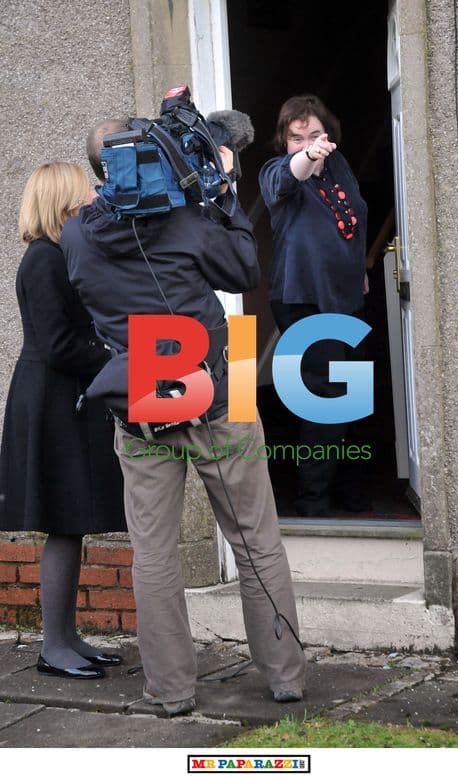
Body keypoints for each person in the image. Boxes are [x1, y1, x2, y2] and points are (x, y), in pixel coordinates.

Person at [60, 120, 306, 716]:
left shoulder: (76, 234)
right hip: (227, 376)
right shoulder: (188, 218)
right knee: (257, 542)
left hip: (144, 382)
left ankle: (169, 691)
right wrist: (221, 191)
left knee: (154, 553)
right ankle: (285, 677)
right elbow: (244, 272)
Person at [0, 162, 127, 679]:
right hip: (52, 401)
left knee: (72, 523)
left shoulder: (57, 255)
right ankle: (53, 647)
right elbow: (57, 346)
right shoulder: (44, 260)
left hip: (62, 398)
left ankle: (68, 638)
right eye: (84, 192)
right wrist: (115, 353)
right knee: (63, 522)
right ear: (62, 201)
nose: (92, 199)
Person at [259, 94, 370, 517]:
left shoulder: (339, 168)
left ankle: (350, 492)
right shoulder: (278, 172)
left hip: (346, 297)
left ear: (331, 134)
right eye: (295, 136)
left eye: (315, 133)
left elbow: (351, 220)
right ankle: (313, 500)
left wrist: (357, 267)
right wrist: (306, 153)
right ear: (284, 141)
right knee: (325, 398)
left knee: (355, 397)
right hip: (302, 299)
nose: (306, 142)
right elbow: (293, 172)